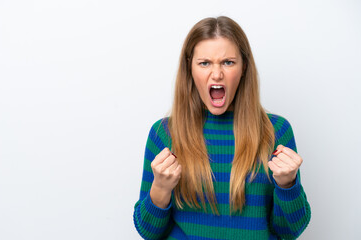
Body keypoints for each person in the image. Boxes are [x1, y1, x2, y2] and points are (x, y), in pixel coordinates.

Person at [133, 16, 311, 240]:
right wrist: (160, 187)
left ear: (244, 67)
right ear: (190, 68)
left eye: (228, 62)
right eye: (204, 63)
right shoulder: (163, 133)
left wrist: (288, 186)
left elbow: (290, 231)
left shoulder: (275, 131)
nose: (216, 74)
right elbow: (148, 232)